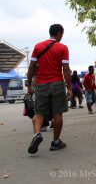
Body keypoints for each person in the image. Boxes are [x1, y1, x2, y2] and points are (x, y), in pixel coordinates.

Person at [26, 24, 72, 154]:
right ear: (58, 33)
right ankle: (56, 142)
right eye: (62, 34)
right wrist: (69, 88)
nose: (62, 36)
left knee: (39, 113)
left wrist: (29, 85)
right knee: (58, 113)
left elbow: (31, 67)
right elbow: (66, 69)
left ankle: (37, 134)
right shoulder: (62, 48)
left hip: (41, 84)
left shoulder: (38, 46)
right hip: (57, 83)